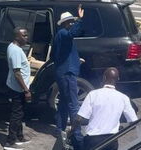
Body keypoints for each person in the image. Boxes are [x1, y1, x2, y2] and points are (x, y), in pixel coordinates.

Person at [73, 67, 138, 150]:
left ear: (104, 78)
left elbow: (79, 119)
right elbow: (134, 123)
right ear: (118, 79)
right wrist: (120, 129)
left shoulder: (93, 94)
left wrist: (72, 130)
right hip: (112, 141)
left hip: (93, 140)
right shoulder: (123, 98)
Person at [51, 4, 84, 149]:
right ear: (66, 23)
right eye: (70, 22)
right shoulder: (64, 33)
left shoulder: (60, 35)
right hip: (67, 74)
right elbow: (74, 33)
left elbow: (58, 55)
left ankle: (60, 130)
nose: (72, 23)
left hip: (62, 72)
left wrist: (76, 60)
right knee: (73, 104)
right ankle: (77, 136)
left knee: (64, 103)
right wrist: (80, 20)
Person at [4, 27, 32, 150]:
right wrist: (26, 90)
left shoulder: (14, 47)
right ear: (17, 37)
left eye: (26, 35)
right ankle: (10, 142)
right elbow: (17, 72)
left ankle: (19, 136)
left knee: (19, 113)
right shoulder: (15, 50)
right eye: (24, 35)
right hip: (18, 88)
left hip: (16, 86)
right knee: (17, 114)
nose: (27, 37)